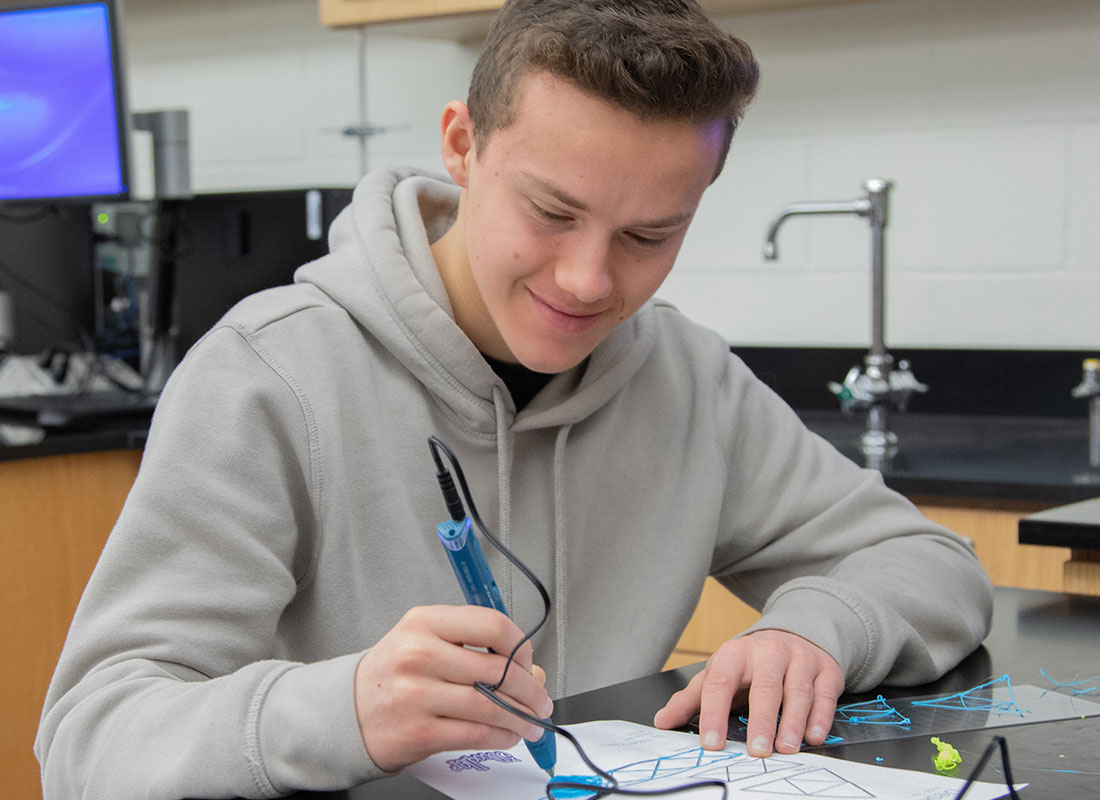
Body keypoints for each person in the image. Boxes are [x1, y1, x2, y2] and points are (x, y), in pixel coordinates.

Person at [36, 0, 993, 797]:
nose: (588, 281)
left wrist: (815, 627)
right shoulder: (268, 375)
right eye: (552, 211)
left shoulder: (685, 377)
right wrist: (346, 708)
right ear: (462, 145)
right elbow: (91, 738)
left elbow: (929, 563)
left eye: (649, 236)